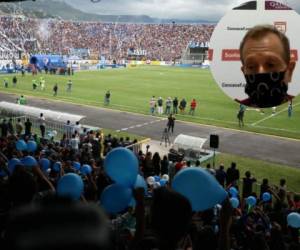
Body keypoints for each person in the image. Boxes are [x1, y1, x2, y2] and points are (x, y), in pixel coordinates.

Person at [238, 25, 296, 108]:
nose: (261, 72)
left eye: (270, 65)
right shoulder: (235, 110)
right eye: (251, 67)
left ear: (289, 71)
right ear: (244, 72)